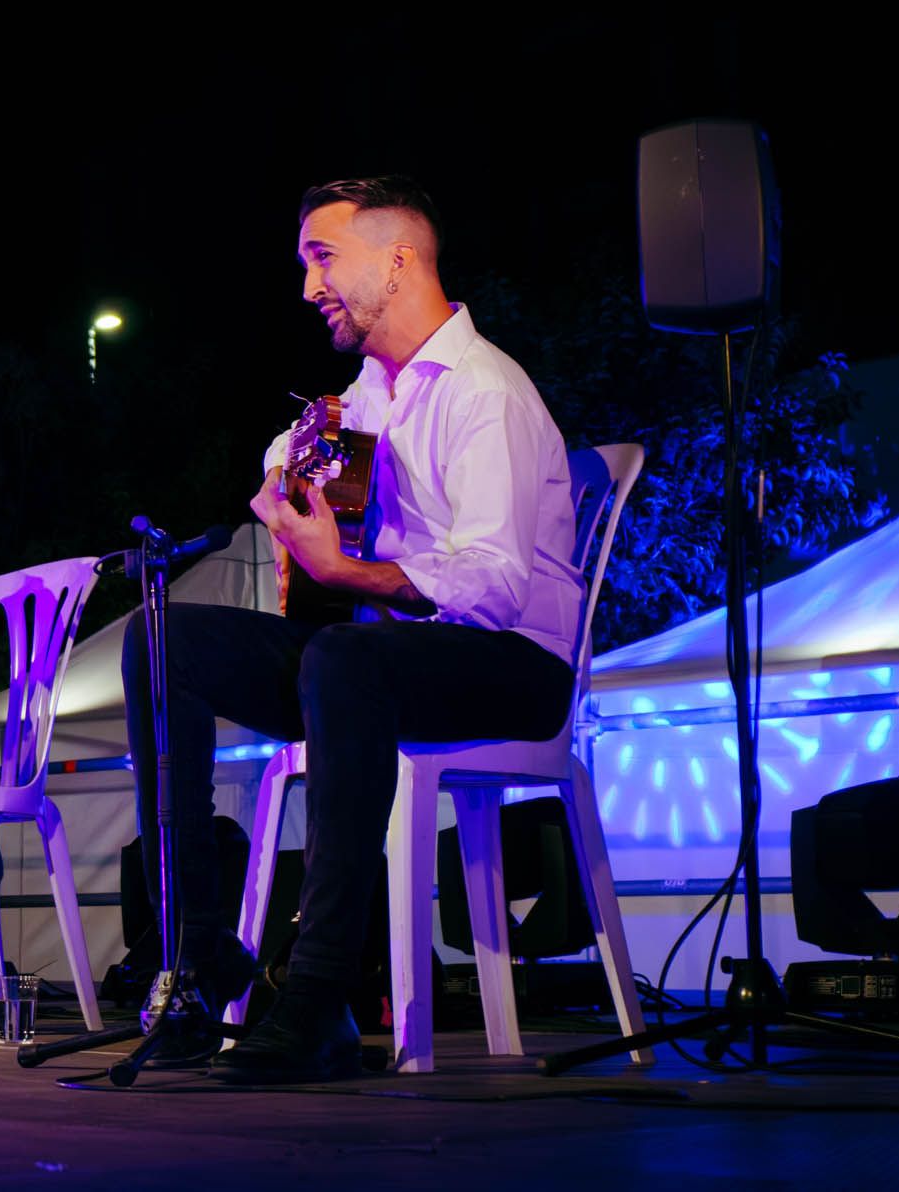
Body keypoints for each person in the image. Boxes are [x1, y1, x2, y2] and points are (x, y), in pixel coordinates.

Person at [121, 176, 584, 1083]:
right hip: (382, 662)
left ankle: (322, 996)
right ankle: (198, 949)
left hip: (516, 663)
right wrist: (289, 474)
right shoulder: (375, 389)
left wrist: (343, 572)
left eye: (322, 258)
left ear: (399, 259)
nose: (307, 286)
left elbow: (490, 587)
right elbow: (294, 455)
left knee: (345, 654)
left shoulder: (485, 390)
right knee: (160, 638)